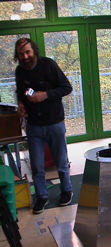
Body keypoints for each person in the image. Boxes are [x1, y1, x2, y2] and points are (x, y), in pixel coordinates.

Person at [14, 38, 73, 214]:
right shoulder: (19, 71)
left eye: (28, 52)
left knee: (61, 161)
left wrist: (45, 95)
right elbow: (21, 92)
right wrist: (21, 104)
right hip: (33, 125)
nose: (25, 57)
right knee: (37, 165)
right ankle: (41, 196)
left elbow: (66, 88)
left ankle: (67, 191)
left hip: (54, 122)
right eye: (20, 54)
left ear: (34, 51)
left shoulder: (49, 65)